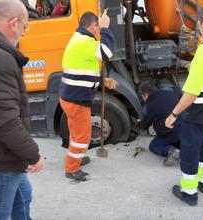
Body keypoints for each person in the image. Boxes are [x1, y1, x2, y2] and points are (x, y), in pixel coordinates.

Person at [0, 0, 44, 219]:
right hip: (0, 159)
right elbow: (4, 121)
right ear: (13, 23)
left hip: (6, 155)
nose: (25, 32)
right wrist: (33, 155)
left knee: (24, 196)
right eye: (25, 26)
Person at [59, 10, 118, 181]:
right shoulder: (84, 41)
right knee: (82, 136)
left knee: (76, 132)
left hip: (71, 97)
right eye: (98, 28)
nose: (99, 31)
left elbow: (82, 70)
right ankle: (72, 169)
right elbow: (106, 52)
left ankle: (76, 156)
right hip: (76, 100)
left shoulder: (79, 39)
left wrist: (102, 79)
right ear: (93, 26)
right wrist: (107, 28)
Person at [165, 4, 203, 206]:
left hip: (199, 112)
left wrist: (174, 114)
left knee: (190, 151)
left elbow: (191, 92)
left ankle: (189, 193)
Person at [138, 81, 182, 166]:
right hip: (185, 130)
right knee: (180, 140)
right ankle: (184, 148)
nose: (143, 99)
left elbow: (144, 127)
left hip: (169, 135)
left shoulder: (148, 106)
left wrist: (140, 122)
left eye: (142, 96)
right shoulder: (172, 91)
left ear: (145, 94)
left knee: (153, 146)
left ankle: (170, 150)